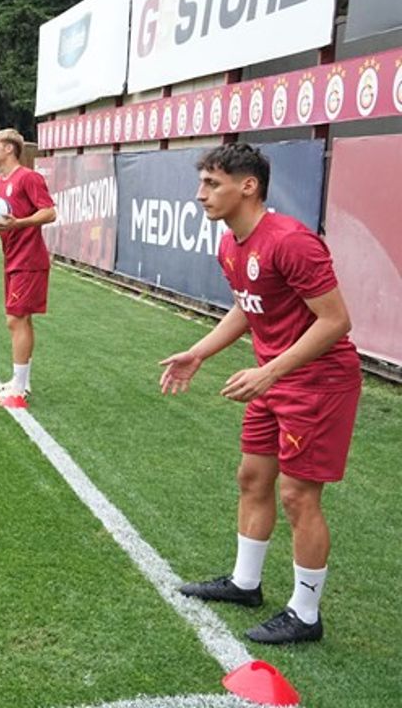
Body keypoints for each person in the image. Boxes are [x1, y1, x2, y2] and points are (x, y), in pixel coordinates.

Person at [161, 144, 360, 645]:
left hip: (317, 382)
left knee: (297, 494)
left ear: (247, 186)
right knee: (252, 477)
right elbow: (248, 309)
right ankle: (245, 583)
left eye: (211, 184)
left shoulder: (291, 242)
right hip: (275, 378)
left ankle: (306, 614)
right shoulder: (231, 243)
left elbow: (336, 322)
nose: (199, 194)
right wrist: (199, 352)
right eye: (202, 183)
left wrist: (271, 371)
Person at [0, 128, 56, 403]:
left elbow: (49, 212)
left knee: (15, 319)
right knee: (21, 319)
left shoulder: (29, 177)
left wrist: (19, 224)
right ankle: (19, 381)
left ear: (10, 148)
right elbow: (7, 220)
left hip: (30, 259)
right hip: (12, 257)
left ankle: (19, 388)